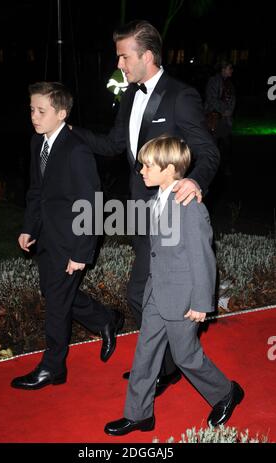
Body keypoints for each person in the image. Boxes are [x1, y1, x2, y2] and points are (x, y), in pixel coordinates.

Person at [72, 20, 220, 396]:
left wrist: (195, 180)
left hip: (173, 214)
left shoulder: (180, 95)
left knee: (144, 294)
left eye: (124, 56)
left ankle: (172, 366)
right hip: (141, 213)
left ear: (147, 56)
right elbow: (111, 145)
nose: (120, 63)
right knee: (142, 296)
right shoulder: (129, 96)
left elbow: (208, 151)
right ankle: (165, 367)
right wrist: (69, 133)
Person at [105, 135, 244, 436]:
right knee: (145, 351)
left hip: (183, 296)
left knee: (185, 357)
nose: (141, 170)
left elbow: (203, 257)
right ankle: (139, 414)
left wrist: (200, 302)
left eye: (147, 165)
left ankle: (226, 392)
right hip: (157, 291)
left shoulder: (190, 206)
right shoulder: (157, 199)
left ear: (169, 169)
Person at [11, 81, 124, 390]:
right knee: (55, 294)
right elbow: (37, 191)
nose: (34, 116)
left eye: (42, 111)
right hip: (47, 236)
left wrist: (81, 253)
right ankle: (105, 320)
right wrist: (28, 227)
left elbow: (92, 202)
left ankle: (52, 367)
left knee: (57, 304)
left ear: (61, 114)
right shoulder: (38, 143)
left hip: (73, 239)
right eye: (32, 109)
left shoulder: (77, 150)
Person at [204, 60, 236, 175]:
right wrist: (224, 110)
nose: (231, 70)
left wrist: (229, 111)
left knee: (227, 145)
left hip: (224, 119)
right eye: (229, 68)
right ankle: (213, 170)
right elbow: (211, 99)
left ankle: (223, 168)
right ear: (223, 69)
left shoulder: (229, 83)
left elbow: (233, 99)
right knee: (214, 145)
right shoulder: (214, 81)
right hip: (215, 119)